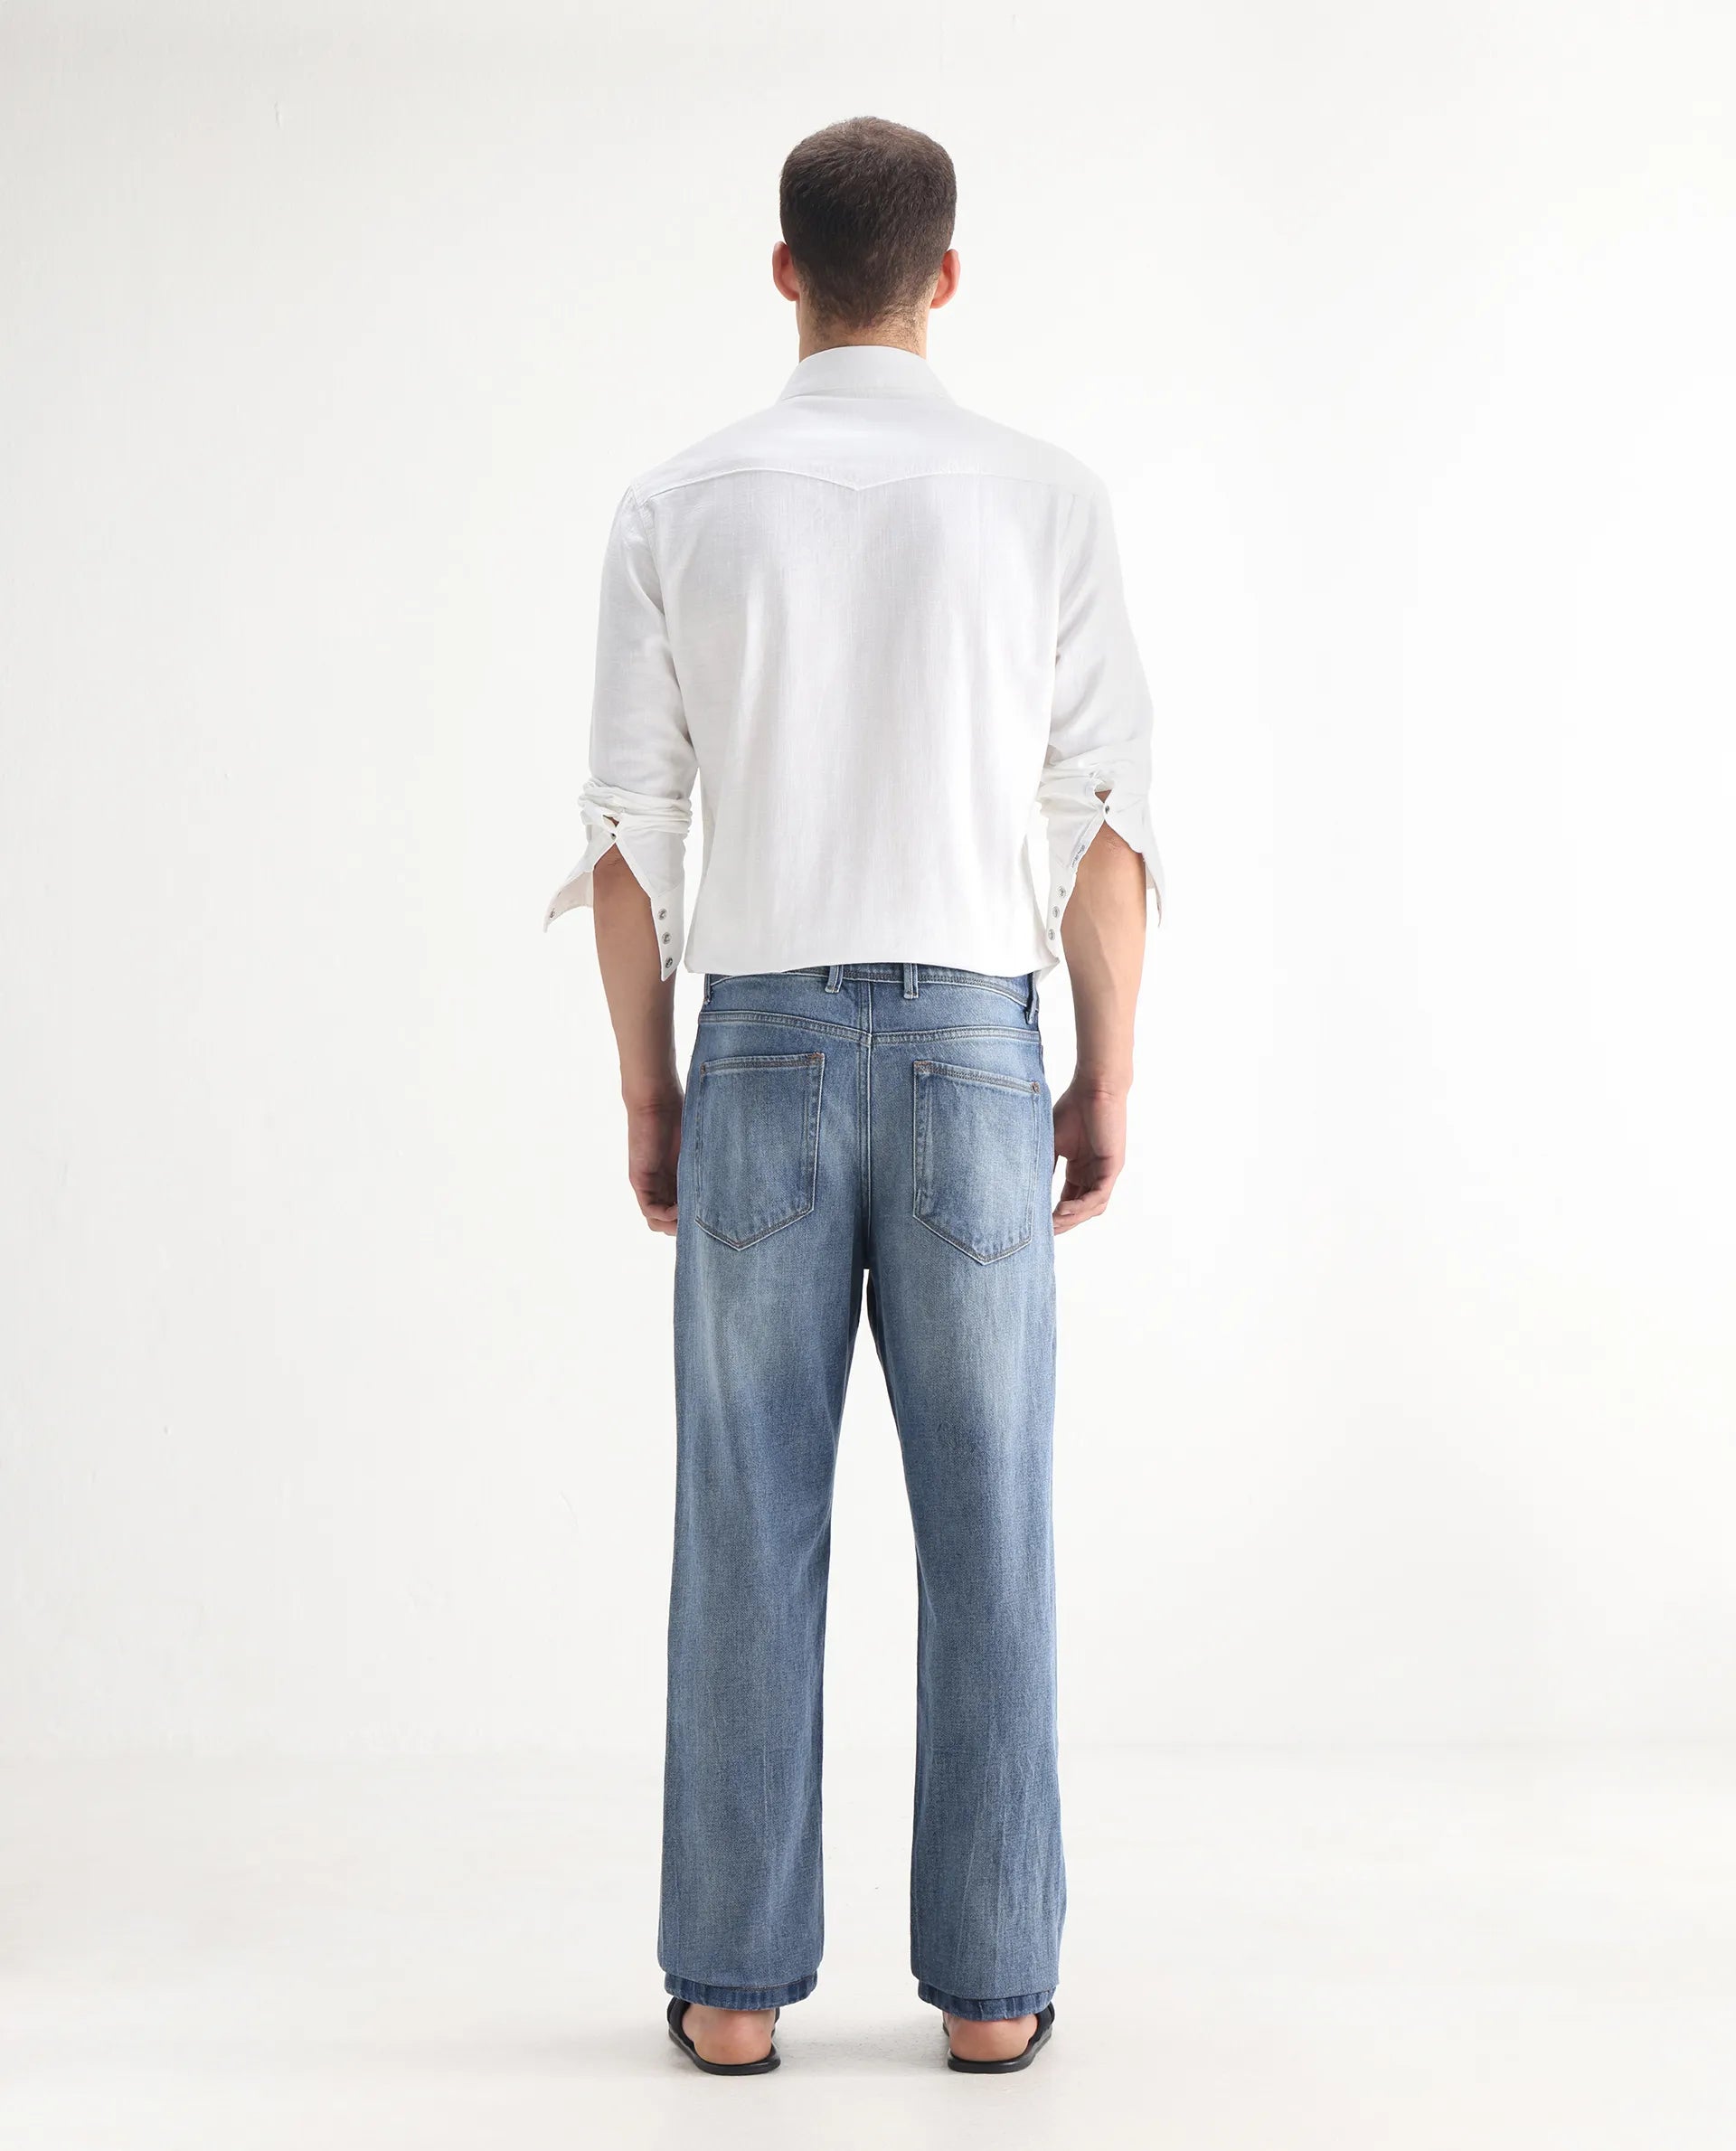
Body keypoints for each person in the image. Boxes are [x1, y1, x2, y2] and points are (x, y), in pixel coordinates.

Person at [546, 114, 1163, 2077]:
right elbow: (1102, 824)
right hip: (980, 1048)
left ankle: (733, 1989)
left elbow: (631, 837)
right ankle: (992, 1991)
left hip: (760, 1050)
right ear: (947, 277)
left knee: (747, 1513)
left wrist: (650, 1092)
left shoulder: (680, 502)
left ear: (785, 270)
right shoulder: (1046, 497)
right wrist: (1104, 1073)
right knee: (994, 1524)